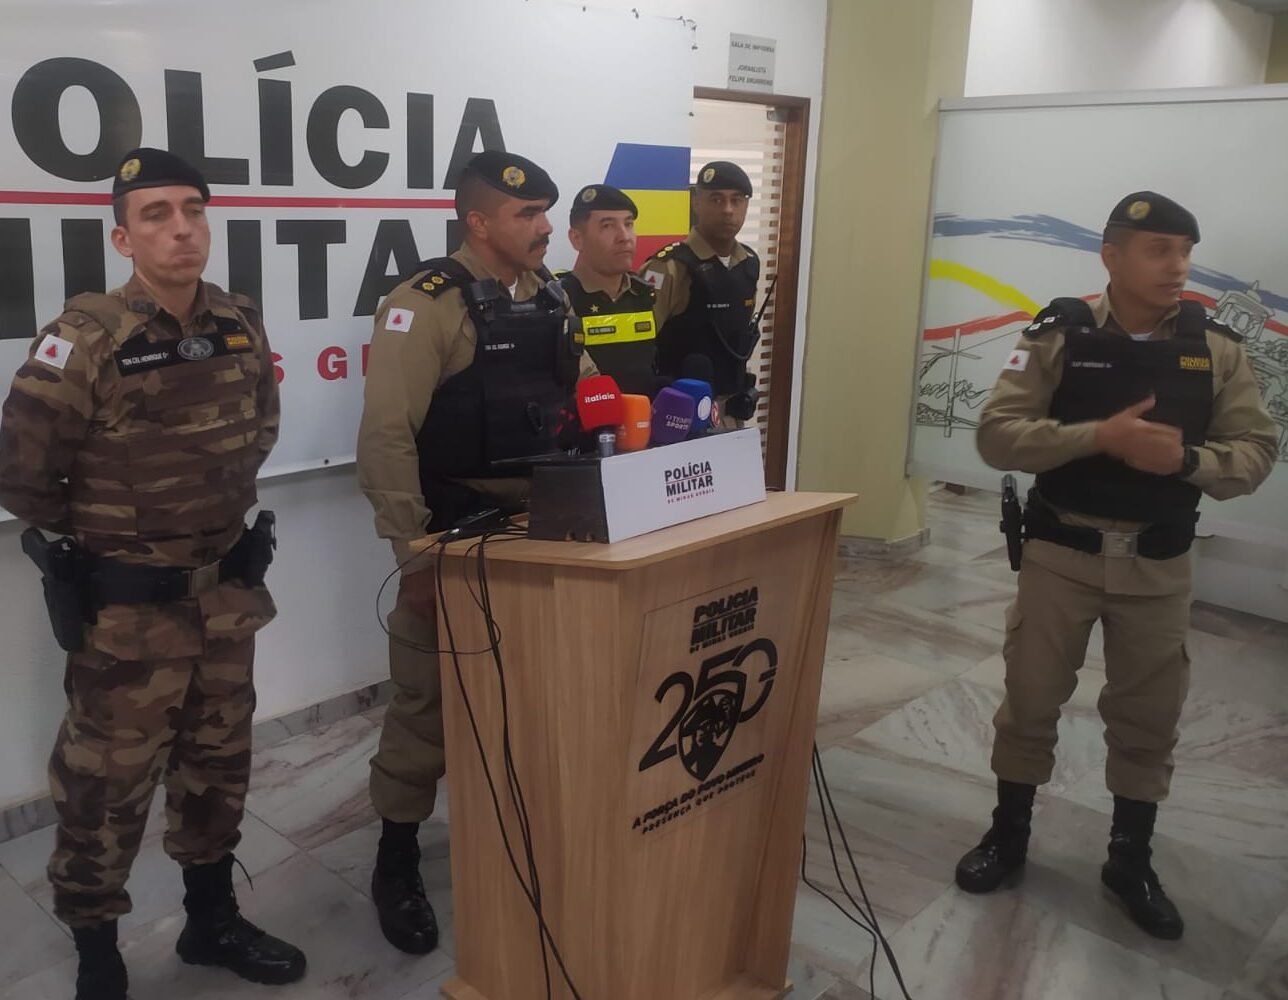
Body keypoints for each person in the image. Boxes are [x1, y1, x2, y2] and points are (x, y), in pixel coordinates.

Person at [0, 148, 306, 1000]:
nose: (181, 230)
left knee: (218, 769)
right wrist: (116, 542)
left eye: (192, 211)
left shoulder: (239, 318)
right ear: (123, 237)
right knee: (104, 793)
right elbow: (23, 477)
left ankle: (211, 921)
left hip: (225, 600)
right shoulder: (85, 339)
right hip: (127, 620)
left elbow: (260, 429)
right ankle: (99, 953)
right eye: (157, 215)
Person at [957, 191, 1278, 940]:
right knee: (1030, 699)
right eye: (1160, 249)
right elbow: (998, 437)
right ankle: (1009, 834)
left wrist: (1188, 459)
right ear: (1112, 255)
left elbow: (1256, 452)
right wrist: (1100, 436)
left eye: (1186, 251)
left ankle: (1129, 857)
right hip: (1061, 555)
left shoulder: (1217, 349)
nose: (1179, 267)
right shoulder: (1057, 335)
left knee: (1148, 718)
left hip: (1159, 566)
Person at [356, 149, 591, 956]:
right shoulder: (423, 306)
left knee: (530, 700)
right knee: (425, 707)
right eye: (528, 216)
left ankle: (517, 837)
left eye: (546, 214)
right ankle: (395, 860)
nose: (545, 228)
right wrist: (417, 558)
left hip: (546, 534)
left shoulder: (551, 294)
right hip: (454, 539)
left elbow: (582, 395)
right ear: (478, 221)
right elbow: (385, 438)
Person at [637, 161, 762, 421]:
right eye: (716, 200)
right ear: (696, 203)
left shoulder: (749, 263)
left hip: (730, 415)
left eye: (736, 200)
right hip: (677, 418)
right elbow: (639, 349)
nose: (728, 210)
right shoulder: (669, 267)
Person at [558, 183, 660, 396]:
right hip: (583, 425)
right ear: (577, 239)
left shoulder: (646, 294)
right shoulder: (558, 299)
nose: (624, 236)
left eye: (629, 224)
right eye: (607, 226)